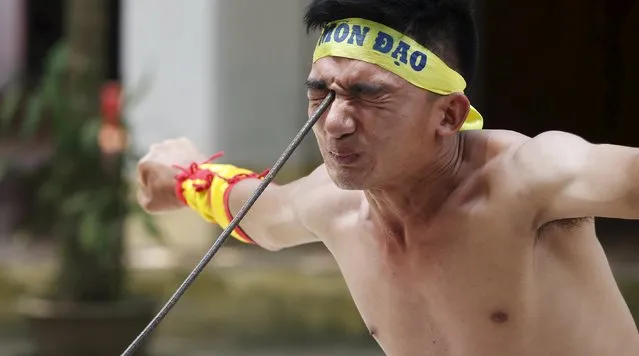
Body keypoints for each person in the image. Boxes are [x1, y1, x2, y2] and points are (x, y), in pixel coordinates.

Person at [136, 0, 639, 355]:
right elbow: (259, 216)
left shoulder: (531, 178)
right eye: (321, 95)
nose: (334, 122)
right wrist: (184, 177)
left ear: (448, 115)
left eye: (368, 95)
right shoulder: (331, 203)